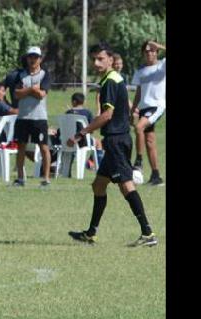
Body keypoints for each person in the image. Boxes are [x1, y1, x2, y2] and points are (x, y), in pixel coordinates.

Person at [67, 44, 158, 248]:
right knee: (98, 185)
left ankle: (147, 233)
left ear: (110, 59)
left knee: (126, 186)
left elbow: (107, 115)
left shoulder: (109, 81)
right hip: (116, 140)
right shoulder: (115, 79)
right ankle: (91, 233)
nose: (96, 63)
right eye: (94, 59)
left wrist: (81, 133)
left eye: (100, 59)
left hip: (116, 140)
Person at [8, 46, 54, 187]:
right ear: (27, 58)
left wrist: (27, 91)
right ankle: (21, 178)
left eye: (35, 57)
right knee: (21, 147)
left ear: (40, 59)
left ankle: (46, 179)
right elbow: (16, 94)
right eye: (30, 57)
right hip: (23, 117)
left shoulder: (45, 75)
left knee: (43, 147)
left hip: (39, 118)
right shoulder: (20, 75)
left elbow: (42, 94)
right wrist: (32, 89)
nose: (33, 59)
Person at [131, 40, 166, 186]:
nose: (149, 53)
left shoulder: (162, 66)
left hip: (157, 106)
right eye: (146, 51)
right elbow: (139, 92)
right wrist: (133, 109)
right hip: (144, 108)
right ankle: (156, 176)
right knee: (150, 142)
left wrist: (160, 46)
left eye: (152, 50)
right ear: (143, 54)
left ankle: (138, 161)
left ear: (156, 52)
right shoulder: (140, 71)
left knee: (139, 128)